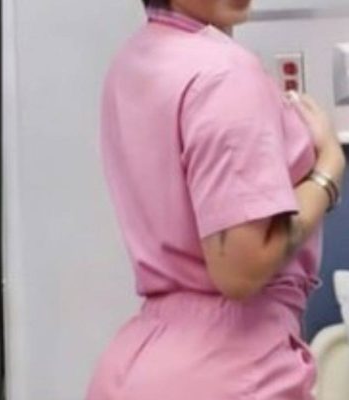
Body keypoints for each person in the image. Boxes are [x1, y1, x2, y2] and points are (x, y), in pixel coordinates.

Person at [86, 1, 346, 399]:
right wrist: (327, 171)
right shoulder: (225, 75)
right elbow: (240, 270)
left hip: (136, 369)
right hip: (233, 370)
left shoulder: (134, 61)